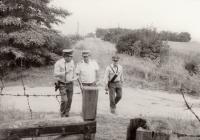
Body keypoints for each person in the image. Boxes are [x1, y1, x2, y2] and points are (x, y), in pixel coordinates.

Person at [54, 49, 75, 117]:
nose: (70, 58)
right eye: (69, 57)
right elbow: (56, 74)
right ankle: (62, 113)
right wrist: (65, 73)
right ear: (64, 56)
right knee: (65, 100)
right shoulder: (58, 63)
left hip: (70, 84)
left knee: (70, 100)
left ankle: (67, 113)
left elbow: (73, 71)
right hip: (62, 84)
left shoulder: (72, 62)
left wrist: (74, 77)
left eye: (71, 57)